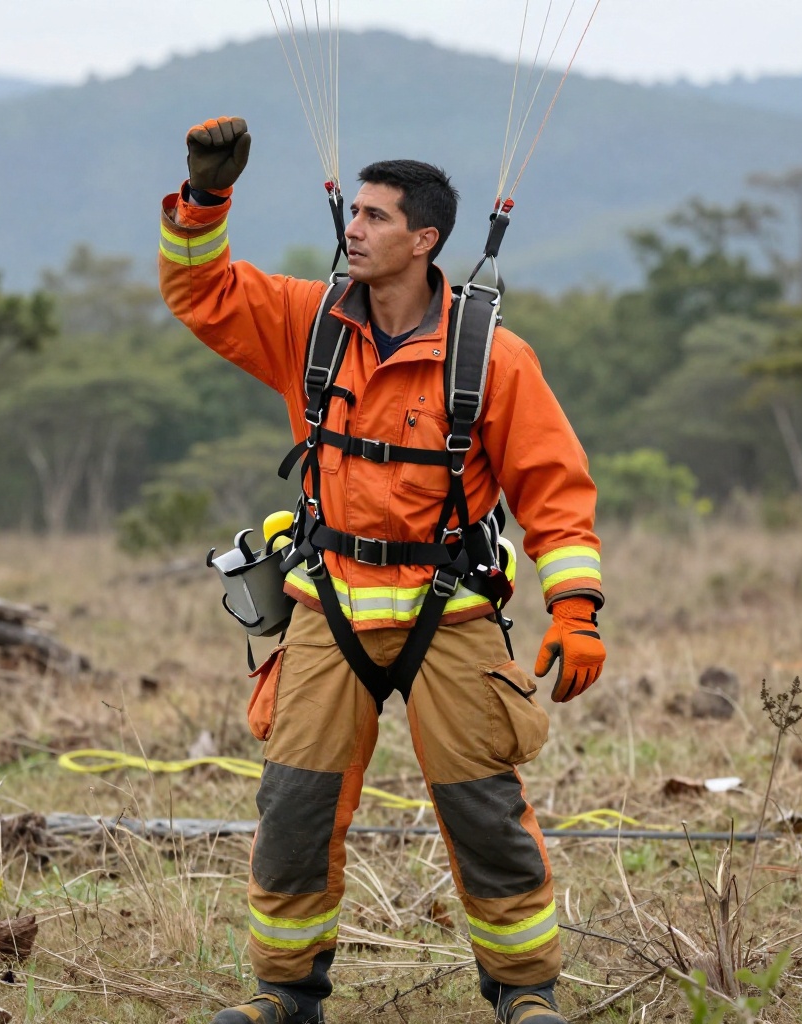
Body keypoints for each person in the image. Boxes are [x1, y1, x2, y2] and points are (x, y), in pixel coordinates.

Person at [159, 116, 606, 1024]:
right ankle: (284, 996)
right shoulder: (304, 323)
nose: (353, 228)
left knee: (486, 813)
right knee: (294, 809)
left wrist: (578, 606)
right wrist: (206, 197)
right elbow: (201, 292)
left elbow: (553, 491)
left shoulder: (494, 356)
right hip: (324, 609)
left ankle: (526, 994)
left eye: (375, 216)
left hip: (454, 615)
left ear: (425, 239)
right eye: (352, 212)